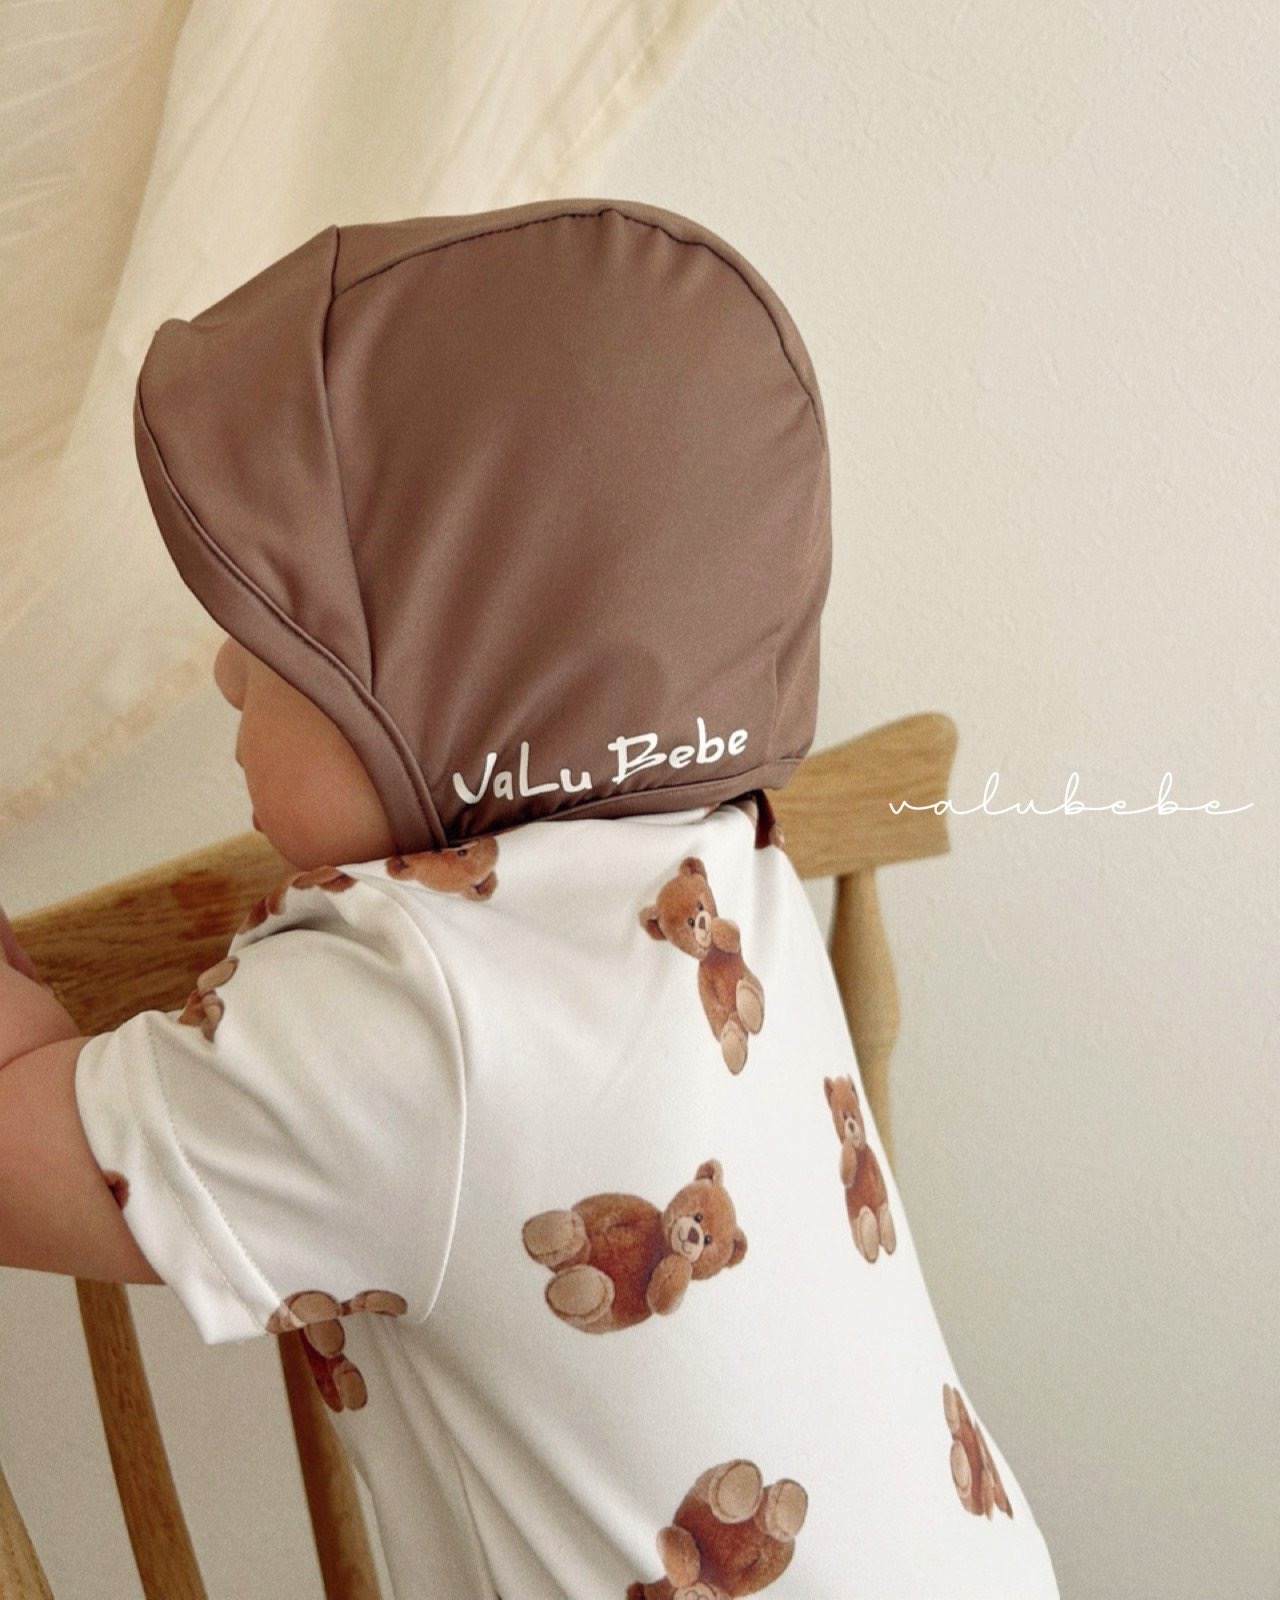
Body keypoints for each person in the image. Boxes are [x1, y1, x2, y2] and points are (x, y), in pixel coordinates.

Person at [0, 198, 1060, 1598]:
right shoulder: (727, 864)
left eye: (285, 641)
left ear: (462, 677)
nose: (227, 677)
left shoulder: (409, 1012)